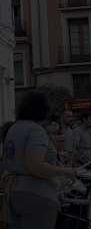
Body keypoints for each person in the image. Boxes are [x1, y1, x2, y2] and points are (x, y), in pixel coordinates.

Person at [3, 91, 78, 229]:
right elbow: (35, 166)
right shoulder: (36, 130)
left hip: (13, 193)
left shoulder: (14, 128)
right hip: (36, 194)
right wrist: (66, 171)